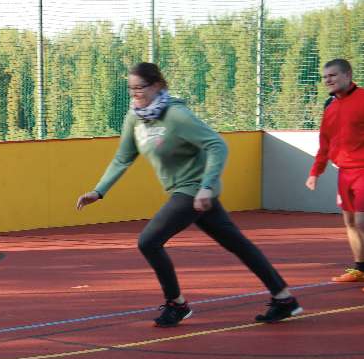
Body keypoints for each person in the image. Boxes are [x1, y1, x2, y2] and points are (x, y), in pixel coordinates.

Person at [75, 62, 301, 327]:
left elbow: (217, 144)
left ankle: (177, 304)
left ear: (158, 85)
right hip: (187, 192)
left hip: (192, 190)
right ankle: (284, 298)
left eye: (141, 87)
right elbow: (122, 159)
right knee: (238, 244)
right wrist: (99, 191)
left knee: (148, 241)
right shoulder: (134, 119)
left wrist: (207, 185)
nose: (135, 93)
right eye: (131, 88)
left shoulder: (176, 115)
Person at [306, 58, 364, 286]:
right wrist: (315, 172)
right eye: (324, 77)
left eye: (332, 75)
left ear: (348, 75)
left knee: (361, 221)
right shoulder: (329, 106)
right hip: (344, 173)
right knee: (349, 222)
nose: (327, 80)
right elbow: (325, 143)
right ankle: (360, 268)